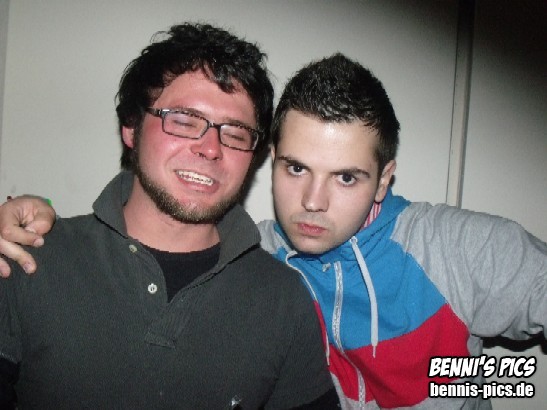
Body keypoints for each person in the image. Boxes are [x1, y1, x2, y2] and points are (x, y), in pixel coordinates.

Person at [2, 54, 546, 409]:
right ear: (271, 159)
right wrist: (33, 209)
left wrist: (462, 379)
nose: (312, 202)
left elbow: (517, 374)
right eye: (296, 168)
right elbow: (161, 230)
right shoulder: (254, 253)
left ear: (384, 179)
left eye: (347, 177)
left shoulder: (463, 249)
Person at [0, 23, 338, 409]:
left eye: (235, 133)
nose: (211, 148)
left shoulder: (284, 300)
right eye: (183, 120)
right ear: (131, 128)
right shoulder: (27, 258)